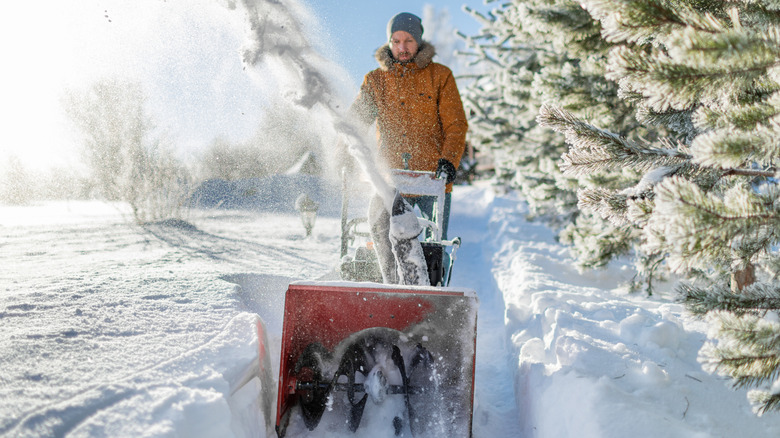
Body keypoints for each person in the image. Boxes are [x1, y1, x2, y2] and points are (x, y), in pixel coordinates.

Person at [349, 12, 468, 284]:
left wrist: (448, 161)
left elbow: (456, 125)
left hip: (432, 180)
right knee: (379, 232)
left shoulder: (440, 76)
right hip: (388, 178)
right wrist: (345, 152)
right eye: (396, 40)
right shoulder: (375, 80)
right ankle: (386, 287)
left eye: (409, 40)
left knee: (433, 245)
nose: (402, 47)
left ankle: (432, 294)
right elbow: (355, 122)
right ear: (389, 42)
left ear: (419, 42)